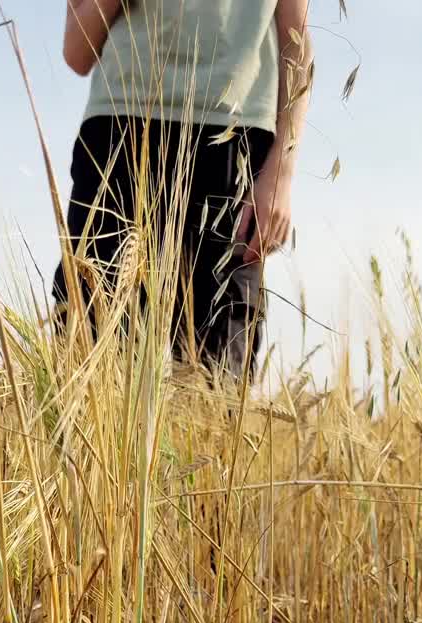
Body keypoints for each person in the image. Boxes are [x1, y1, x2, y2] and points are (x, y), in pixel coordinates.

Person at [55, 0, 312, 378]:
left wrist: (282, 171)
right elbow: (77, 51)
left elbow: (297, 42)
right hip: (120, 136)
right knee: (90, 370)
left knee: (218, 380)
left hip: (234, 145)